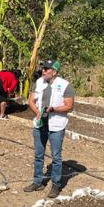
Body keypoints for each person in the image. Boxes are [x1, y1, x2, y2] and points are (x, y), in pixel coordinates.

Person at [24, 60, 75, 198]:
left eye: (47, 69)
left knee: (56, 157)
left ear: (55, 72)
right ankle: (37, 182)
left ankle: (56, 185)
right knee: (38, 155)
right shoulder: (39, 82)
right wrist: (38, 112)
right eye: (43, 68)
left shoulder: (65, 85)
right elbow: (31, 101)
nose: (43, 71)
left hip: (56, 125)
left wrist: (53, 109)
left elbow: (69, 106)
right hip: (40, 124)